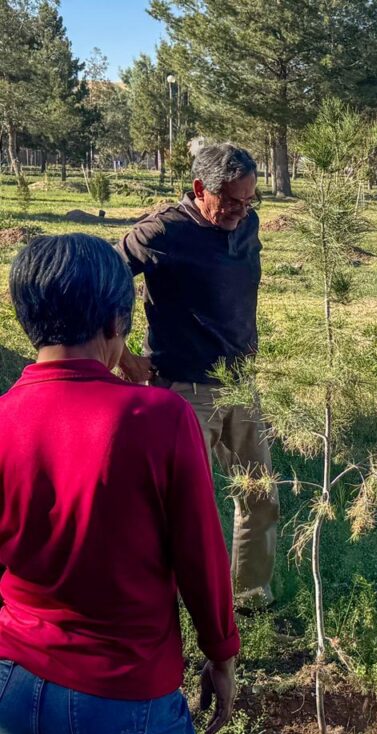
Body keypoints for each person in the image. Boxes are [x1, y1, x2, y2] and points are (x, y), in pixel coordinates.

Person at [0, 234, 239, 734]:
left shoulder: (3, 417)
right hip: (120, 698)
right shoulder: (157, 417)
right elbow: (201, 553)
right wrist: (220, 653)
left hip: (10, 685)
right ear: (115, 324)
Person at [118, 143, 280, 609]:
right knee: (184, 510)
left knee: (260, 494)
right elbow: (103, 280)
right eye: (230, 200)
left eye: (249, 200)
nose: (240, 210)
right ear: (198, 189)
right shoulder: (161, 231)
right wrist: (123, 356)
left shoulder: (246, 223)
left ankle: (249, 596)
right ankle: (166, 604)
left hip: (240, 382)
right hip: (183, 389)